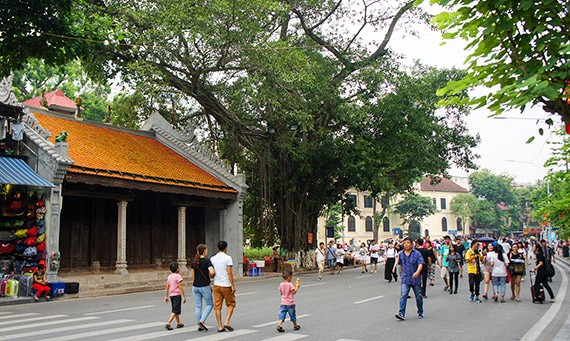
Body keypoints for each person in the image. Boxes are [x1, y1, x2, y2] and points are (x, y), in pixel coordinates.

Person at [394, 237, 425, 321]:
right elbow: (399, 264)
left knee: (418, 297)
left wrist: (417, 272)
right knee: (403, 295)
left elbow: (420, 264)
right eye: (404, 243)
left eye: (408, 242)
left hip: (415, 279)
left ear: (412, 244)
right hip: (405, 278)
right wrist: (394, 268)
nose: (406, 244)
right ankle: (401, 313)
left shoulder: (417, 253)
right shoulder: (401, 254)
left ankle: (420, 312)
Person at [210, 240, 236, 332]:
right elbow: (229, 272)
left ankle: (220, 326)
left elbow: (211, 272)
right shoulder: (228, 258)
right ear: (226, 248)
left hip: (216, 284)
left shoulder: (212, 258)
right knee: (231, 304)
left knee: (217, 306)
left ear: (217, 248)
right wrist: (232, 285)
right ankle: (227, 321)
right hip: (226, 284)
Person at [192, 244, 215, 331]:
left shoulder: (194, 262)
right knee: (209, 304)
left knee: (198, 306)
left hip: (195, 286)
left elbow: (193, 275)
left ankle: (199, 324)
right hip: (204, 286)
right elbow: (212, 272)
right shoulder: (207, 261)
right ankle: (202, 321)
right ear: (204, 251)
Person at [164, 261, 186, 330]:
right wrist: (183, 296)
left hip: (171, 295)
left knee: (175, 309)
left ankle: (179, 323)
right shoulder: (178, 276)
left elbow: (167, 286)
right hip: (177, 295)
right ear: (177, 269)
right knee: (175, 310)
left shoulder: (169, 276)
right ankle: (168, 323)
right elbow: (180, 287)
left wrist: (166, 296)